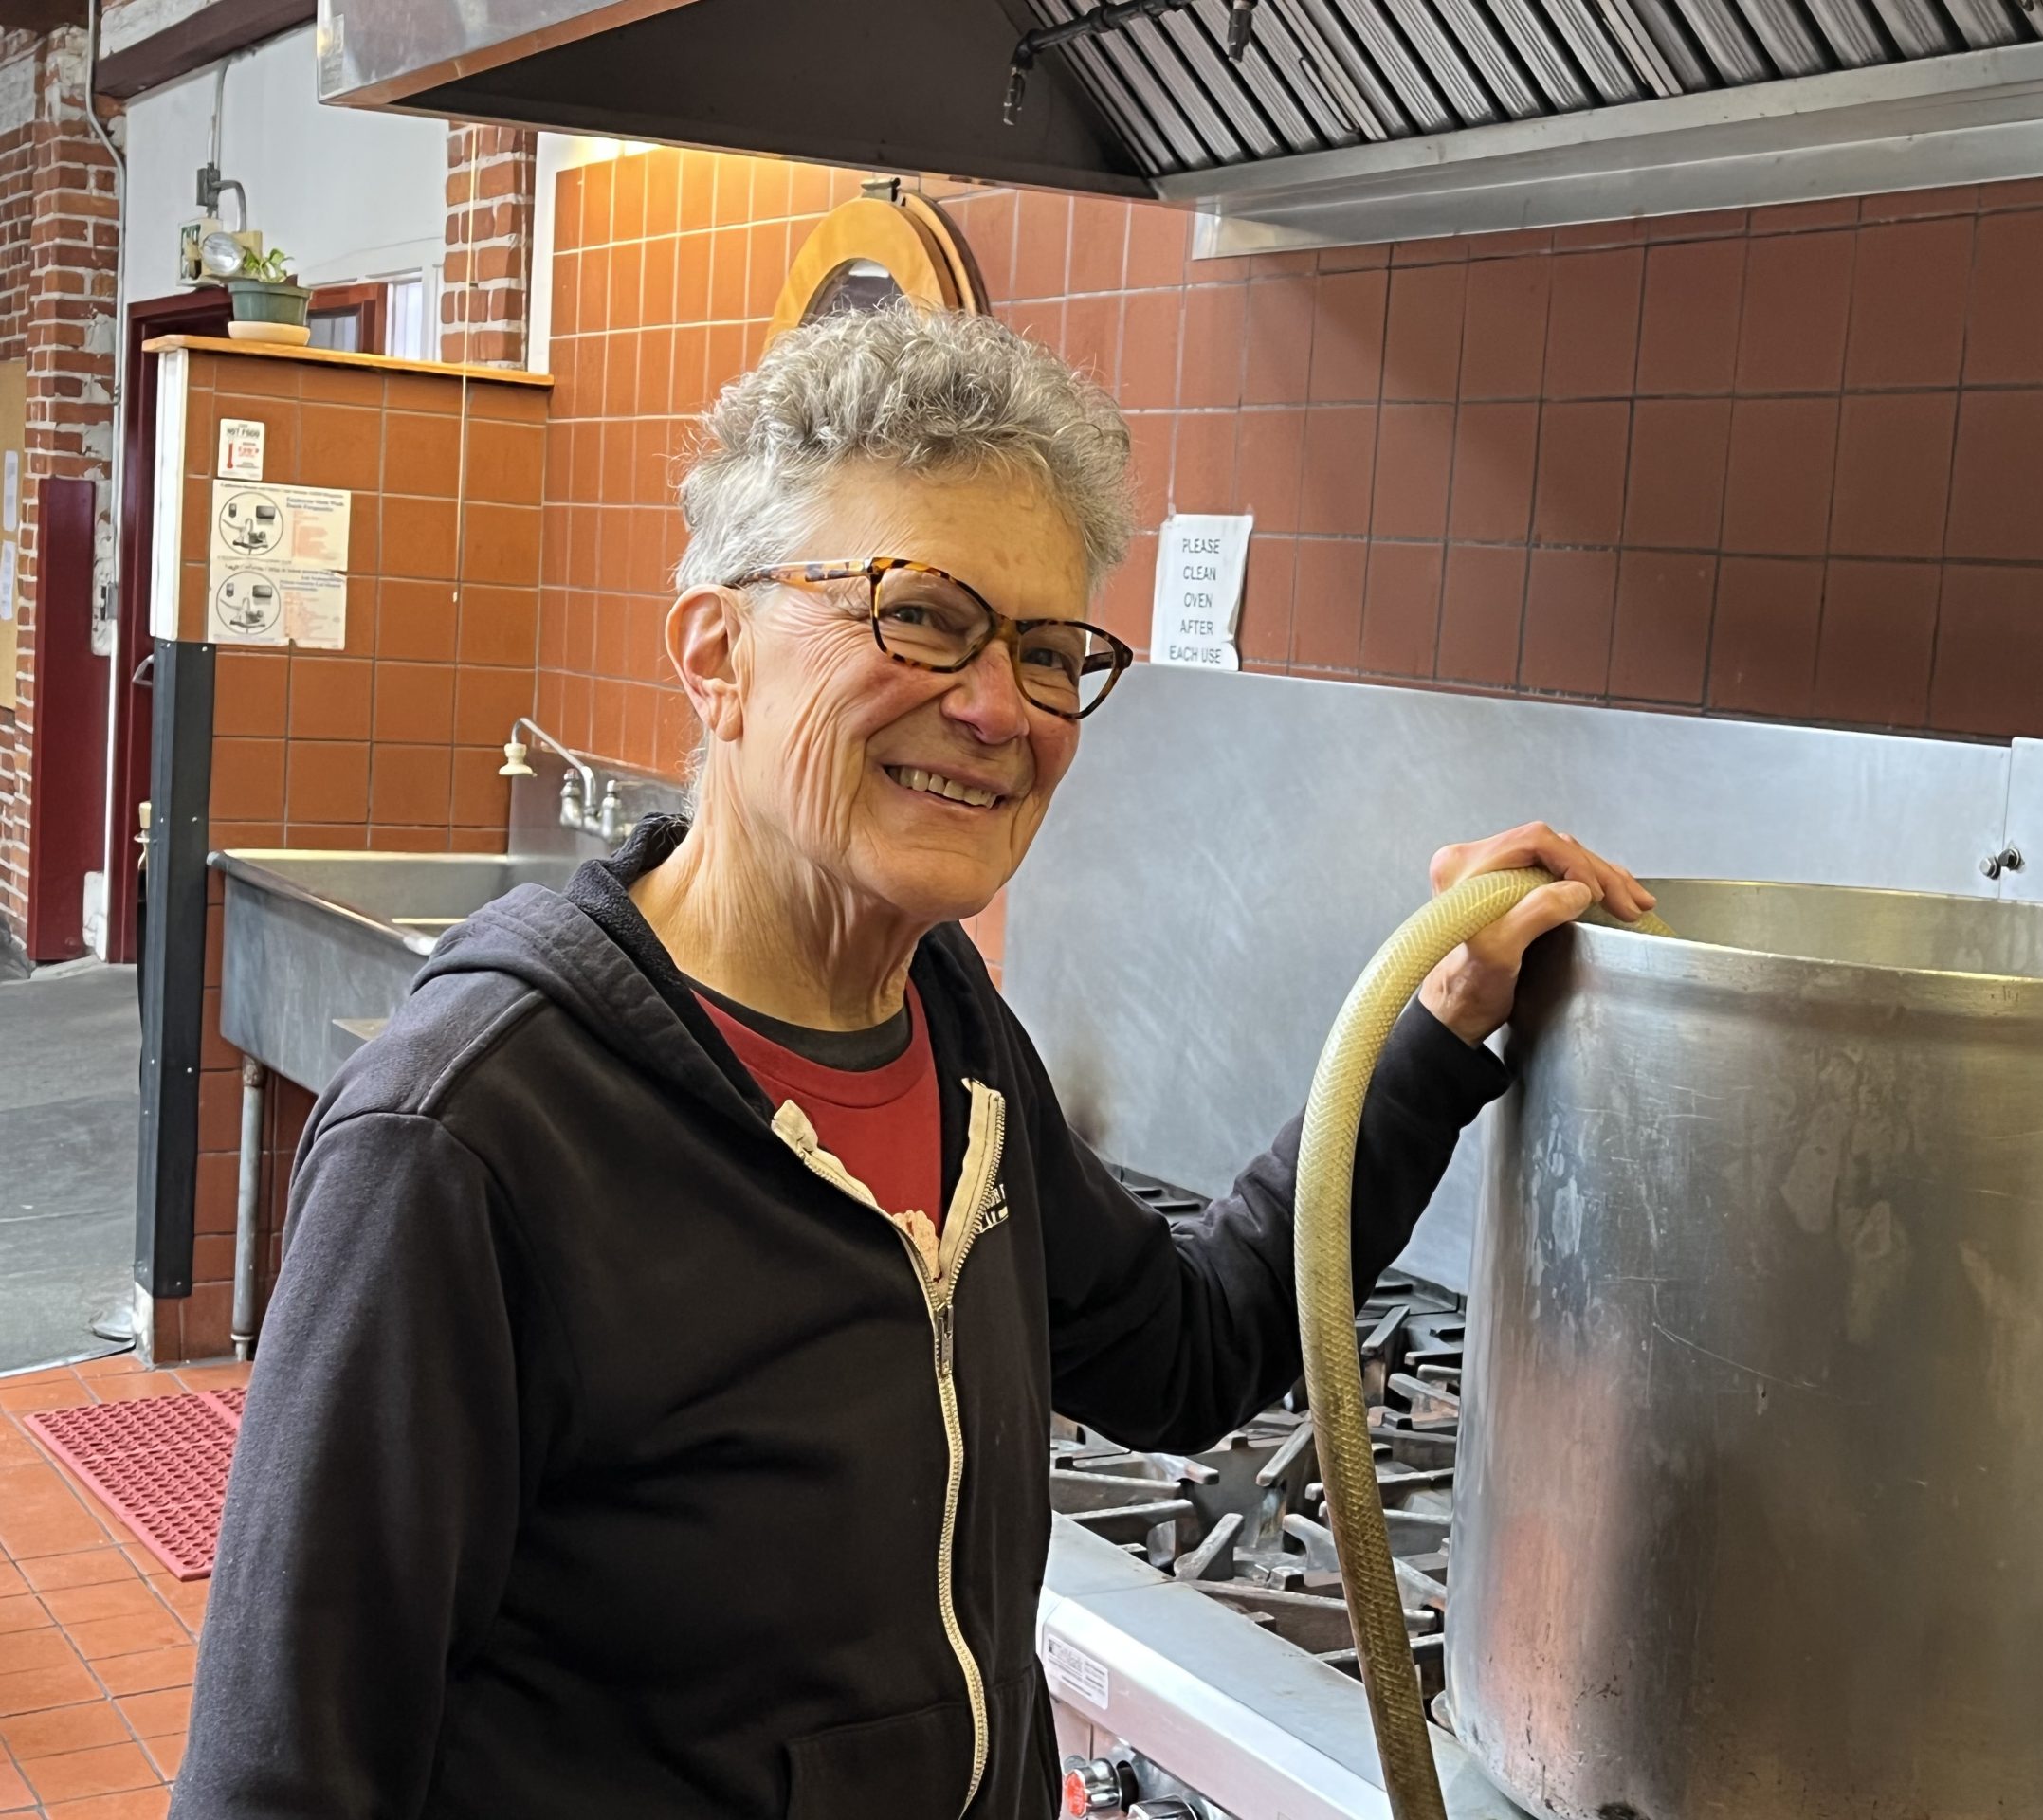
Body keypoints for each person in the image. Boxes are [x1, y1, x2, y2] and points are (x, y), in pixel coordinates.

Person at [171, 302, 1655, 1819]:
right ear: (716, 654)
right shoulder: (473, 1137)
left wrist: (1440, 1022)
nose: (998, 707)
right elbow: (279, 1782)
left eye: (1047, 646)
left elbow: (1188, 1347)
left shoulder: (949, 1036)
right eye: (921, 615)